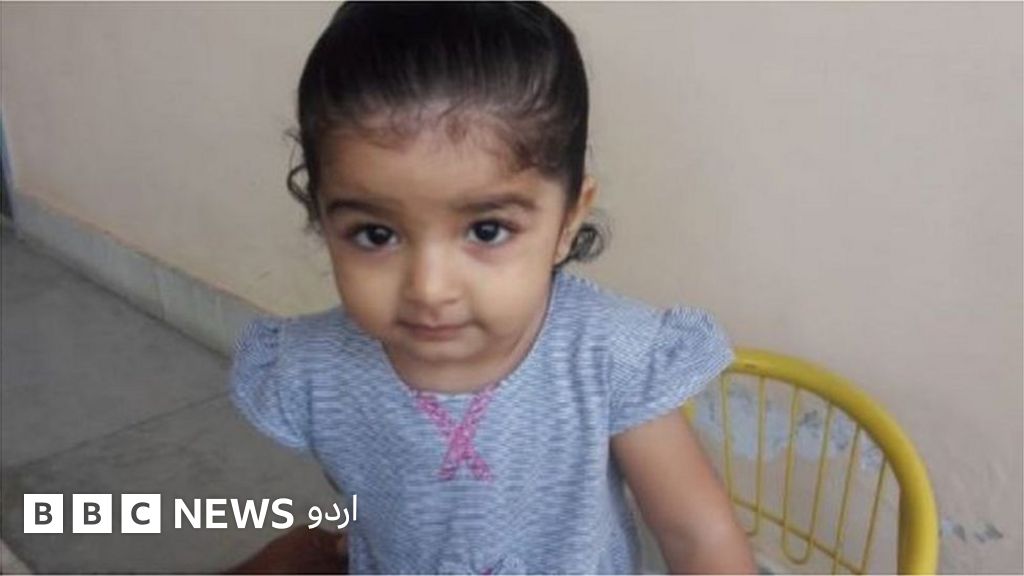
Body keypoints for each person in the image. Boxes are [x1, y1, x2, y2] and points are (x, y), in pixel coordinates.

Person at [229, 2, 755, 573]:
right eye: (376, 234)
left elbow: (697, 535)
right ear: (322, 218)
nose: (429, 289)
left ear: (568, 221)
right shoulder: (312, 368)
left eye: (486, 230)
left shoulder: (610, 356)